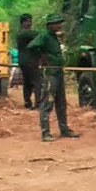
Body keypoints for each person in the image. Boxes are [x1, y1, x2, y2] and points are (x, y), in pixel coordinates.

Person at [27, 14, 79, 142]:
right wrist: (42, 57)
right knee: (47, 102)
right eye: (57, 23)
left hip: (58, 72)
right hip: (50, 74)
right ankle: (45, 132)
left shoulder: (54, 37)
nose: (59, 25)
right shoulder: (44, 36)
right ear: (50, 25)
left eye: (60, 23)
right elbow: (32, 46)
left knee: (61, 103)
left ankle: (64, 129)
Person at [15, 13, 41, 109]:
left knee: (27, 82)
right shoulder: (24, 33)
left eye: (30, 21)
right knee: (37, 81)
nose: (30, 23)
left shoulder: (23, 33)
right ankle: (38, 103)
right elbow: (39, 34)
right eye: (28, 21)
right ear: (23, 22)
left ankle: (27, 102)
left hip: (24, 61)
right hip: (29, 60)